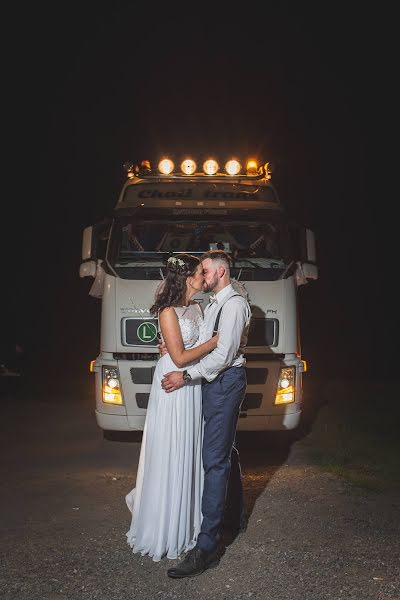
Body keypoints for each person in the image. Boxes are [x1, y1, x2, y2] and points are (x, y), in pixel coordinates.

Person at [161, 250, 252, 579]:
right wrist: (171, 347)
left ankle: (207, 547)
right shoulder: (214, 303)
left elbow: (224, 356)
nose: (201, 275)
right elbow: (199, 343)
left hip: (225, 382)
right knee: (224, 449)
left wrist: (185, 376)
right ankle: (234, 517)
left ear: (222, 271)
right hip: (214, 383)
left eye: (205, 270)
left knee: (214, 460)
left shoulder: (235, 305)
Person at [125, 253, 219, 562]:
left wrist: (192, 346)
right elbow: (178, 358)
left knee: (188, 448)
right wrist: (218, 341)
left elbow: (186, 349)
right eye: (199, 273)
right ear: (187, 278)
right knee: (171, 448)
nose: (204, 277)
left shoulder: (196, 307)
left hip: (190, 385)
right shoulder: (167, 311)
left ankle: (189, 519)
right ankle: (165, 523)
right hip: (173, 382)